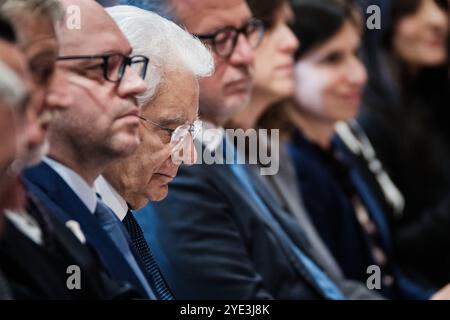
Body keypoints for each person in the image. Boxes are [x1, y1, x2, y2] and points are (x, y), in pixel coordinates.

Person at [127, 0, 359, 300]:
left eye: (248, 30)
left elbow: (317, 280)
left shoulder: (228, 145)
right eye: (220, 38)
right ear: (162, 53)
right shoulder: (174, 165)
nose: (246, 55)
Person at [22, 0, 155, 299]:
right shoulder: (32, 214)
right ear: (33, 79)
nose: (137, 84)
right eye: (101, 66)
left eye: (129, 63)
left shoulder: (101, 209)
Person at [96, 5, 213, 299]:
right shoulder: (77, 225)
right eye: (169, 130)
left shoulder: (118, 216)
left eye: (189, 131)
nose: (188, 156)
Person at [357, 0, 450, 287]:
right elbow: (388, 248)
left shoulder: (429, 97)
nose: (438, 20)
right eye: (410, 10)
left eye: (441, 6)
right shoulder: (367, 121)